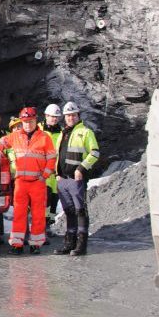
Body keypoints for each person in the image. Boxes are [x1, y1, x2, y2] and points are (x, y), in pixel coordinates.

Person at [0, 107, 57, 254]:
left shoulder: (45, 137)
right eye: (25, 122)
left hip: (37, 183)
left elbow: (51, 159)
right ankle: (17, 245)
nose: (27, 124)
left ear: (35, 120)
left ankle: (35, 245)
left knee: (38, 215)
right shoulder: (15, 136)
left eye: (30, 121)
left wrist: (44, 176)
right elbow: (0, 142)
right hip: (21, 183)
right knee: (19, 214)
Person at [54, 101, 101, 256]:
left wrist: (81, 168)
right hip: (63, 180)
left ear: (78, 116)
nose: (70, 118)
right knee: (69, 211)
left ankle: (81, 245)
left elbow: (95, 153)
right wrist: (57, 174)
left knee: (80, 210)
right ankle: (69, 243)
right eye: (68, 116)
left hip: (76, 179)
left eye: (73, 115)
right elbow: (58, 156)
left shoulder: (86, 132)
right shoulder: (63, 133)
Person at [43, 104, 63, 234]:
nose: (54, 119)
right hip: (43, 170)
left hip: (56, 171)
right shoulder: (38, 129)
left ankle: (49, 223)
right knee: (45, 198)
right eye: (51, 116)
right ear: (46, 116)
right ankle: (42, 224)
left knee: (54, 199)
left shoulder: (62, 132)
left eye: (56, 117)